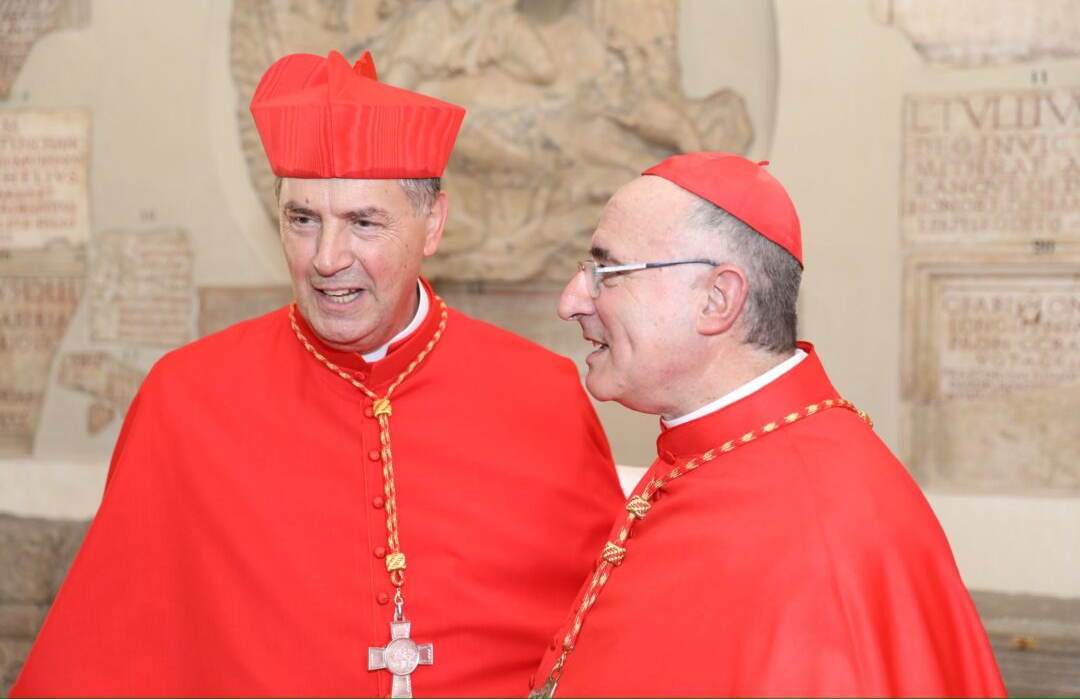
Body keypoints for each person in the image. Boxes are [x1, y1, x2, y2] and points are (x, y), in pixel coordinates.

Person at [11, 50, 623, 698]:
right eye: (303, 220)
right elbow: (100, 655)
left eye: (363, 223)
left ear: (433, 223)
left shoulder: (543, 395)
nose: (327, 259)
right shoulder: (185, 397)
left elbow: (608, 633)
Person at [529, 152, 1006, 697]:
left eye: (606, 273)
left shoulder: (821, 528)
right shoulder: (707, 449)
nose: (572, 302)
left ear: (717, 299)